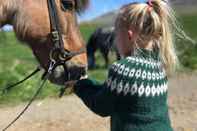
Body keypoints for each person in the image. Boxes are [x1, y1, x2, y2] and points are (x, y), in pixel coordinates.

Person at [73, 0, 180, 131]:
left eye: (116, 35)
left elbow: (101, 105)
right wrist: (88, 82)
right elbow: (115, 90)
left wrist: (79, 84)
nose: (115, 41)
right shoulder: (159, 67)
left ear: (129, 36)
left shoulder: (123, 70)